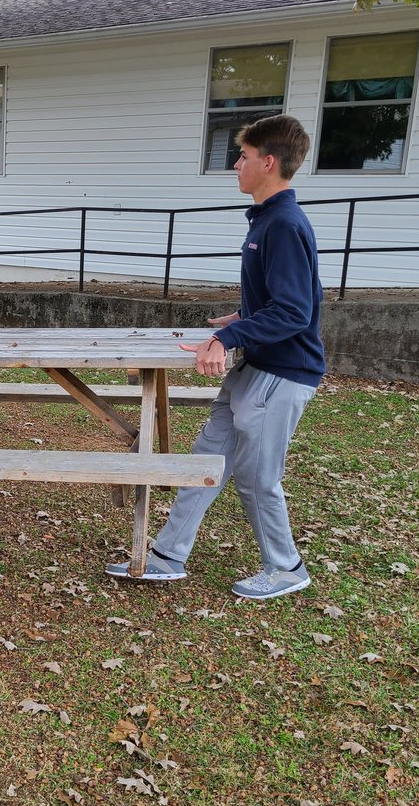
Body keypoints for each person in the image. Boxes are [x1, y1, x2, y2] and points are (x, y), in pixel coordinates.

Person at [106, 114, 325, 599]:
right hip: (258, 367)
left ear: (268, 163)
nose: (235, 164)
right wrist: (242, 317)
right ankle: (167, 555)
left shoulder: (283, 224)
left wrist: (227, 340)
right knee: (205, 461)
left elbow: (295, 311)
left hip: (282, 373)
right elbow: (294, 296)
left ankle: (286, 567)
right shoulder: (269, 220)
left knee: (256, 477)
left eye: (244, 157)